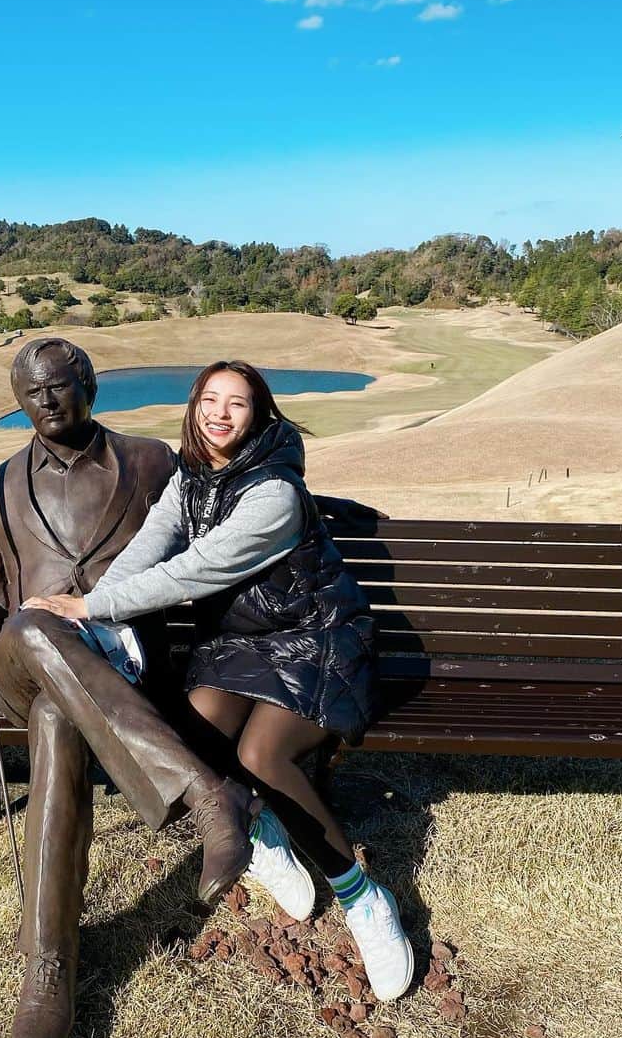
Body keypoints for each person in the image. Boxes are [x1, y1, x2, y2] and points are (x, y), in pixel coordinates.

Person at [27, 360, 414, 1003]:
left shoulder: (275, 494)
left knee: (261, 756)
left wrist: (92, 609)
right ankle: (260, 831)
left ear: (260, 413)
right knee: (190, 729)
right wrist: (92, 603)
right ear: (195, 405)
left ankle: (362, 895)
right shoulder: (191, 479)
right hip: (240, 644)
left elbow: (194, 572)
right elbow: (151, 548)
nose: (221, 413)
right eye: (211, 399)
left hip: (316, 638)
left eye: (238, 403)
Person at [0, 338, 261, 1038]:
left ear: (89, 385)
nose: (44, 402)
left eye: (59, 387)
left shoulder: (151, 461)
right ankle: (201, 788)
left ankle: (47, 964)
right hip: (23, 664)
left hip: (119, 672)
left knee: (59, 718)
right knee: (37, 624)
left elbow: (210, 533)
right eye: (29, 392)